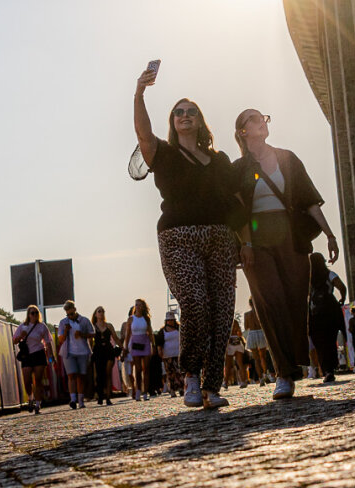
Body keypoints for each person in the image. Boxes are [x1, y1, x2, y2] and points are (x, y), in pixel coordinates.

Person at [134, 65, 240, 409]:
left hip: (221, 238)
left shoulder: (219, 159)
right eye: (178, 112)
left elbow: (236, 202)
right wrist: (139, 93)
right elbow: (143, 134)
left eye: (191, 111)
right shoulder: (162, 153)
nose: (184, 115)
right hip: (178, 237)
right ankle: (191, 376)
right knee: (195, 304)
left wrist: (246, 241)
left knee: (223, 311)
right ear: (172, 121)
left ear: (201, 121)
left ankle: (212, 387)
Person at [231, 107, 340, 400]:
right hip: (257, 240)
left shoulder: (288, 159)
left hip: (292, 237)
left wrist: (329, 234)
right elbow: (239, 212)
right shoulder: (238, 168)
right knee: (270, 302)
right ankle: (283, 373)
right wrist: (246, 244)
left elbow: (309, 200)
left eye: (263, 118)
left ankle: (294, 364)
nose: (262, 122)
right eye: (254, 119)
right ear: (243, 131)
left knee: (294, 300)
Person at [307, 252, 345, 382]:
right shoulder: (329, 274)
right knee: (330, 341)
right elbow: (342, 287)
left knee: (320, 343)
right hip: (330, 310)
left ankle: (326, 369)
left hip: (315, 313)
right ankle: (331, 368)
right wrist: (342, 299)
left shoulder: (307, 277)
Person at [12, 305, 54, 414]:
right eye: (32, 313)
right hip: (27, 355)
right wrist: (21, 336)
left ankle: (38, 404)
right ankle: (30, 399)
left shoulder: (42, 326)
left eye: (36, 313)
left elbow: (48, 342)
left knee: (38, 380)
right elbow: (14, 341)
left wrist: (50, 356)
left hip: (39, 353)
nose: (34, 315)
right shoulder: (22, 326)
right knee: (27, 381)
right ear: (28, 315)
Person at [54, 301, 94, 409]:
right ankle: (73, 400)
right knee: (71, 375)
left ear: (75, 309)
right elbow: (60, 339)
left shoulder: (84, 320)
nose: (70, 316)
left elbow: (92, 333)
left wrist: (82, 334)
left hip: (83, 351)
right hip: (69, 352)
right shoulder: (63, 322)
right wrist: (66, 330)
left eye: (71, 314)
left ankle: (81, 401)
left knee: (81, 377)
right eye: (68, 314)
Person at [122, 298, 156, 401]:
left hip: (145, 342)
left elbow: (150, 333)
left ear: (143, 307)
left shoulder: (146, 319)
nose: (138, 307)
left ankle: (145, 392)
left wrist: (153, 345)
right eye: (136, 305)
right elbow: (128, 334)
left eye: (140, 305)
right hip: (135, 343)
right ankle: (137, 391)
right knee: (137, 369)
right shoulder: (131, 319)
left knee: (146, 368)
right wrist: (125, 347)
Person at [90, 306, 120, 406]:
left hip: (108, 350)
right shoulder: (93, 326)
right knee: (99, 375)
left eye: (103, 311)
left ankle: (108, 397)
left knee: (108, 373)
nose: (101, 313)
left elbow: (115, 338)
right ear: (95, 314)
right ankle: (100, 396)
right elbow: (90, 342)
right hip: (98, 351)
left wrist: (123, 348)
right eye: (99, 311)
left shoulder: (109, 325)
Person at [243, 304, 269, 385]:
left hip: (252, 334)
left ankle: (260, 378)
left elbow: (246, 327)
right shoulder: (261, 312)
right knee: (263, 357)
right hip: (260, 332)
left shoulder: (246, 314)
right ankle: (265, 374)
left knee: (256, 358)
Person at [159, 311, 184, 396]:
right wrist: (160, 351)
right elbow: (159, 343)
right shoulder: (162, 331)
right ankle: (172, 389)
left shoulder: (179, 329)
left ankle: (181, 388)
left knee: (179, 372)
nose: (170, 322)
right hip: (167, 355)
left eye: (171, 320)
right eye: (168, 320)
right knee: (170, 373)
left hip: (178, 354)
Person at [224, 319, 248, 388]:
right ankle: (243, 381)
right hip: (237, 341)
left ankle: (226, 382)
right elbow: (240, 333)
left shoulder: (226, 321)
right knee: (240, 364)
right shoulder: (235, 321)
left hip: (230, 341)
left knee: (228, 365)